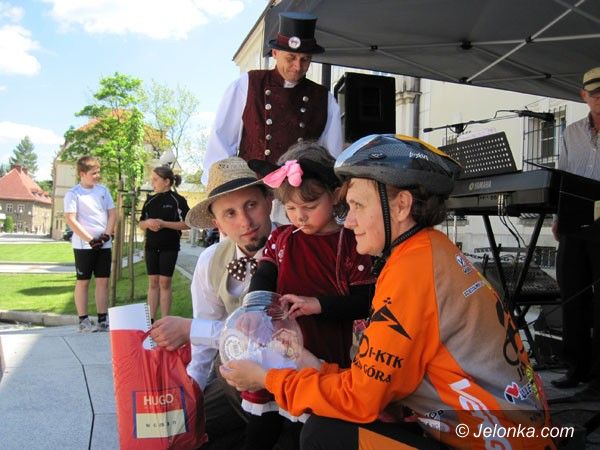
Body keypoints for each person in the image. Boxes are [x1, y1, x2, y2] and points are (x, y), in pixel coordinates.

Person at [221, 135, 555, 449]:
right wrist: (310, 364)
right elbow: (379, 380)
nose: (349, 221)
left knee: (323, 433)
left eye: (357, 205)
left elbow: (360, 398)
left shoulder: (410, 271)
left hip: (489, 439)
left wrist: (269, 379)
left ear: (401, 206)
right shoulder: (430, 249)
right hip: (508, 432)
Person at [237, 143, 374, 450]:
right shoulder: (282, 238)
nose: (299, 216)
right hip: (275, 351)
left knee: (305, 435)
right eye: (290, 208)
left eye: (309, 207)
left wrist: (318, 305)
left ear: (334, 195)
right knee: (260, 432)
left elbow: (365, 300)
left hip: (321, 357)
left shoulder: (351, 243)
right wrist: (253, 308)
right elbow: (265, 275)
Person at [149, 157, 274, 450]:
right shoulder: (211, 260)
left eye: (251, 205)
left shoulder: (293, 247)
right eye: (230, 213)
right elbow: (203, 345)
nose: (245, 222)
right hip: (233, 378)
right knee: (177, 434)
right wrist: (192, 392)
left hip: (281, 381)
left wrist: (191, 329)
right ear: (217, 224)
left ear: (268, 202)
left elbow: (270, 339)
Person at [201, 12, 343, 186]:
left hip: (297, 194)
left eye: (305, 60)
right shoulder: (247, 84)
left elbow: (331, 157)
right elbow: (221, 143)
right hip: (253, 189)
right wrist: (220, 188)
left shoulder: (324, 99)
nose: (297, 66)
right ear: (275, 53)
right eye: (291, 58)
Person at [550, 67, 600, 396]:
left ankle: (598, 376)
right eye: (595, 94)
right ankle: (575, 367)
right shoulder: (571, 132)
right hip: (574, 221)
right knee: (572, 295)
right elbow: (564, 176)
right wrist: (558, 217)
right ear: (584, 96)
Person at [64, 156, 116, 332]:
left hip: (104, 244)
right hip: (84, 245)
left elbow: (112, 214)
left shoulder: (103, 190)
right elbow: (71, 219)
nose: (97, 176)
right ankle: (83, 321)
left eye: (98, 172)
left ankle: (103, 319)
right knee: (83, 282)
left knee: (103, 281)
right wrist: (90, 240)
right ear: (82, 173)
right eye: (94, 173)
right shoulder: (73, 193)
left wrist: (106, 235)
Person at [139, 166, 190, 321]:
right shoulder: (149, 200)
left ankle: (165, 321)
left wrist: (163, 224)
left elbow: (188, 224)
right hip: (151, 247)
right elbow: (141, 223)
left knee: (165, 282)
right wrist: (148, 223)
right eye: (152, 179)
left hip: (170, 247)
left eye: (155, 179)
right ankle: (151, 321)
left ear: (167, 181)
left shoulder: (178, 200)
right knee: (153, 282)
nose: (152, 182)